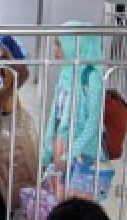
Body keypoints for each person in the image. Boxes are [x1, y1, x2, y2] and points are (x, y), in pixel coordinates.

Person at [42, 23, 106, 193]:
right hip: (62, 145)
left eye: (60, 43)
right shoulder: (65, 73)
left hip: (82, 152)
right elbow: (55, 116)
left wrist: (70, 153)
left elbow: (93, 123)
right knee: (60, 201)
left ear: (76, 45)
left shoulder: (92, 77)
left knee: (78, 204)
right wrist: (47, 148)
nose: (55, 49)